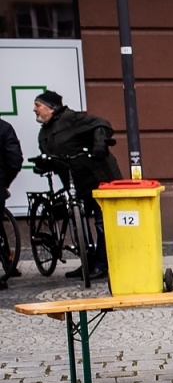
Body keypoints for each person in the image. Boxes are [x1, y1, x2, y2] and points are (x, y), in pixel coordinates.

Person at [33, 90, 121, 281]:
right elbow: (52, 156)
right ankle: (88, 263)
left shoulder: (72, 119)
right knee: (77, 221)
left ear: (51, 107)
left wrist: (99, 144)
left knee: (102, 222)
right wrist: (43, 163)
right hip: (75, 184)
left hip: (99, 178)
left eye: (38, 105)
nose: (35, 109)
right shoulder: (44, 133)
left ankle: (102, 264)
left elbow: (102, 124)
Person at [0, 118, 22, 282]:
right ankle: (8, 263)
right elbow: (14, 159)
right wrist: (4, 181)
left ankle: (8, 263)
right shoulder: (4, 127)